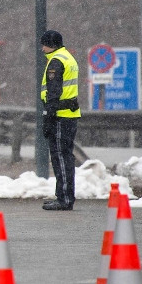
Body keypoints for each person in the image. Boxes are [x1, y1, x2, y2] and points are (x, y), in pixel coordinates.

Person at [39, 30, 81, 211]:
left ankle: (64, 198)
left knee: (60, 158)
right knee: (66, 156)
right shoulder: (68, 57)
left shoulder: (56, 62)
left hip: (60, 116)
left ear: (51, 44)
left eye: (44, 44)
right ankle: (64, 195)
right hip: (69, 114)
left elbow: (53, 93)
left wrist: (48, 116)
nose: (42, 49)